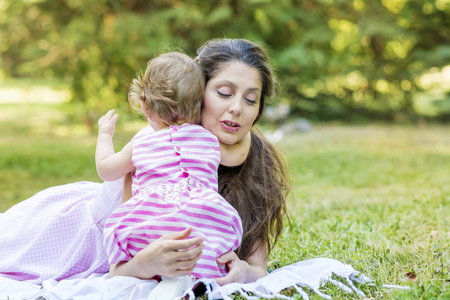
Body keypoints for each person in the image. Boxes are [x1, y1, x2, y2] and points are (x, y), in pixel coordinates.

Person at [0, 38, 289, 287]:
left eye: (251, 99)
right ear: (196, 91)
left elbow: (257, 265)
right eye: (224, 93)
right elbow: (122, 246)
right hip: (78, 241)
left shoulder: (254, 163)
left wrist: (245, 272)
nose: (236, 108)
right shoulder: (155, 145)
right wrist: (144, 264)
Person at [96, 52, 242, 279]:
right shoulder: (209, 139)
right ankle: (204, 271)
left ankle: (129, 270)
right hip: (204, 226)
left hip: (152, 223)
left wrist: (105, 134)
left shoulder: (141, 144)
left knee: (117, 240)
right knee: (211, 240)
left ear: (144, 106)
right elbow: (238, 154)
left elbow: (106, 170)